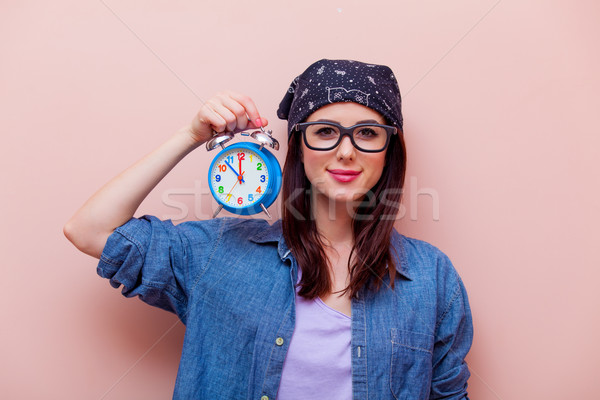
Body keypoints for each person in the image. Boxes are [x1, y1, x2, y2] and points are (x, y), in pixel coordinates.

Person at [64, 59, 473, 399]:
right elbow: (88, 230)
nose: (346, 151)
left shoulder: (432, 278)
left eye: (367, 133)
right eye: (326, 132)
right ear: (298, 147)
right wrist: (190, 136)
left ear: (390, 151)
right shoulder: (219, 253)